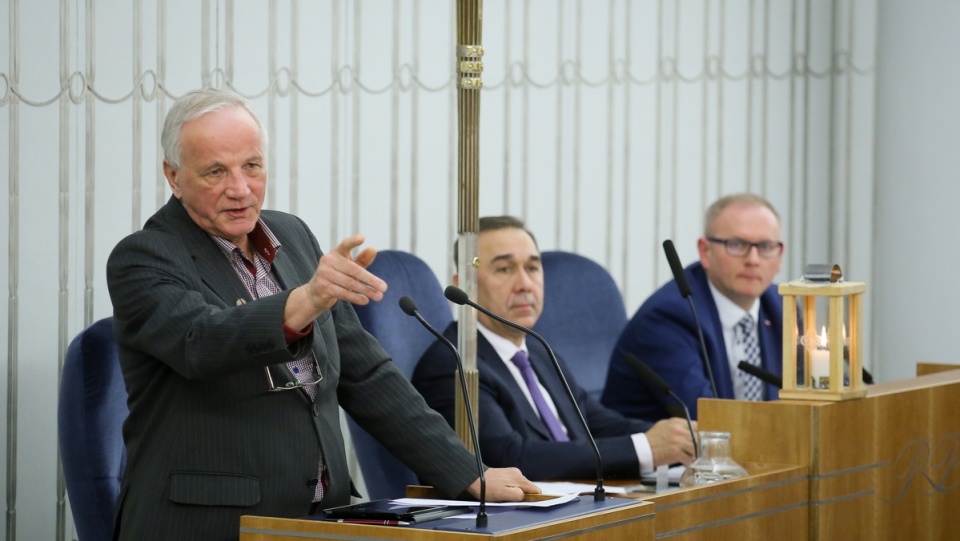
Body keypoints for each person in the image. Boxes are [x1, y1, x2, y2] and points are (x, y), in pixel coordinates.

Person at [105, 88, 539, 541]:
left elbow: (366, 375)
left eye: (252, 166)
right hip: (207, 525)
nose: (239, 188)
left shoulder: (290, 236)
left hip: (317, 521)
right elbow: (201, 341)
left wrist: (467, 471)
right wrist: (304, 302)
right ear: (173, 176)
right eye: (215, 172)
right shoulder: (144, 257)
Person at [411, 216, 696, 481]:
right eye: (504, 269)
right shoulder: (454, 363)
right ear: (465, 286)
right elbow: (507, 459)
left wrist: (683, 437)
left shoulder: (538, 352)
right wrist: (645, 449)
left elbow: (597, 423)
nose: (525, 284)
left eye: (533, 268)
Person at [601, 193, 787, 421]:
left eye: (766, 247)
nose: (753, 260)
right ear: (705, 251)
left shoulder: (780, 308)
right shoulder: (667, 318)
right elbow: (706, 419)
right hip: (672, 456)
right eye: (737, 245)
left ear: (780, 256)